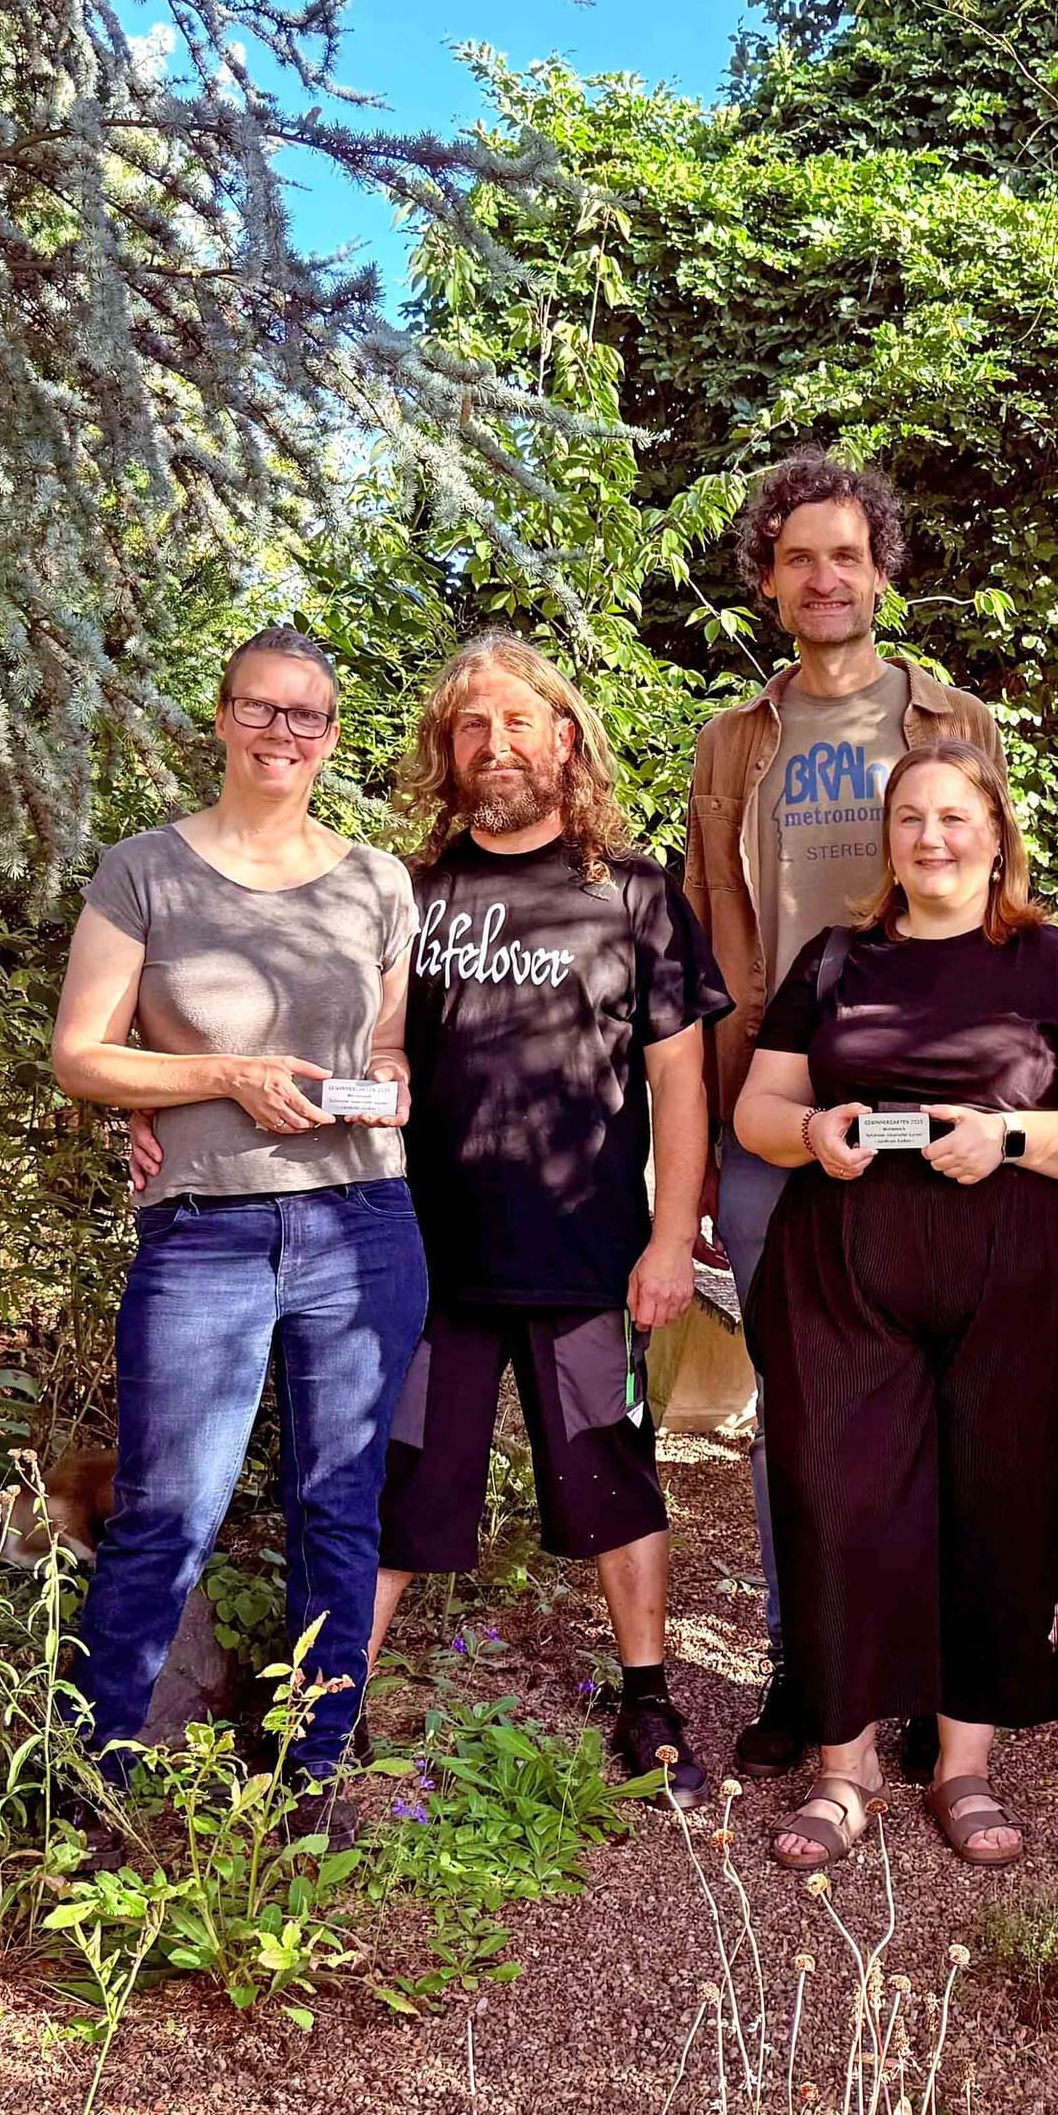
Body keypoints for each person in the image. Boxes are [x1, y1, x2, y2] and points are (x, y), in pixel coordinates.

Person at [730, 736, 1058, 1870]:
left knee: (996, 1506)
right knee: (837, 1498)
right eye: (911, 819)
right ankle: (842, 1768)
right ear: (889, 841)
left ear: (998, 832)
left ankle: (961, 1767)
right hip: (846, 1280)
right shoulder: (834, 962)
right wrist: (814, 1134)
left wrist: (1010, 1135)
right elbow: (759, 1113)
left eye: (955, 818)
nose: (931, 838)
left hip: (1020, 1283)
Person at [50, 627, 423, 1793]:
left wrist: (394, 1082)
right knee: (168, 1510)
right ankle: (89, 1777)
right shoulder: (147, 870)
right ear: (219, 718)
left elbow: (393, 1047)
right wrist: (220, 1077)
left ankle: (312, 1776)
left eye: (307, 716)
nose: (282, 734)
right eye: (261, 710)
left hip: (363, 1223)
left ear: (332, 737)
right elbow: (81, 1055)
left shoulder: (376, 879)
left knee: (341, 1514)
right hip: (206, 1230)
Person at [360, 634, 731, 1794]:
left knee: (610, 1473)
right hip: (429, 1263)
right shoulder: (406, 895)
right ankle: (332, 1711)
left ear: (566, 740)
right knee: (402, 1477)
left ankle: (649, 1700)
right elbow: (355, 1048)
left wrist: (672, 1236)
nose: (496, 746)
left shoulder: (633, 891)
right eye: (473, 727)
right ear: (447, 751)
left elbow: (681, 1078)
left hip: (584, 1258)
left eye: (520, 722)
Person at [683, 453, 1005, 1778]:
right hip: (776, 1102)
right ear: (770, 583)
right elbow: (709, 940)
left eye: (846, 554)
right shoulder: (734, 743)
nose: (826, 577)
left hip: (929, 1109)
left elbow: (997, 906)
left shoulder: (952, 722)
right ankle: (813, 1666)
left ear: (883, 570)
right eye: (798, 557)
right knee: (800, 1401)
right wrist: (702, 1143)